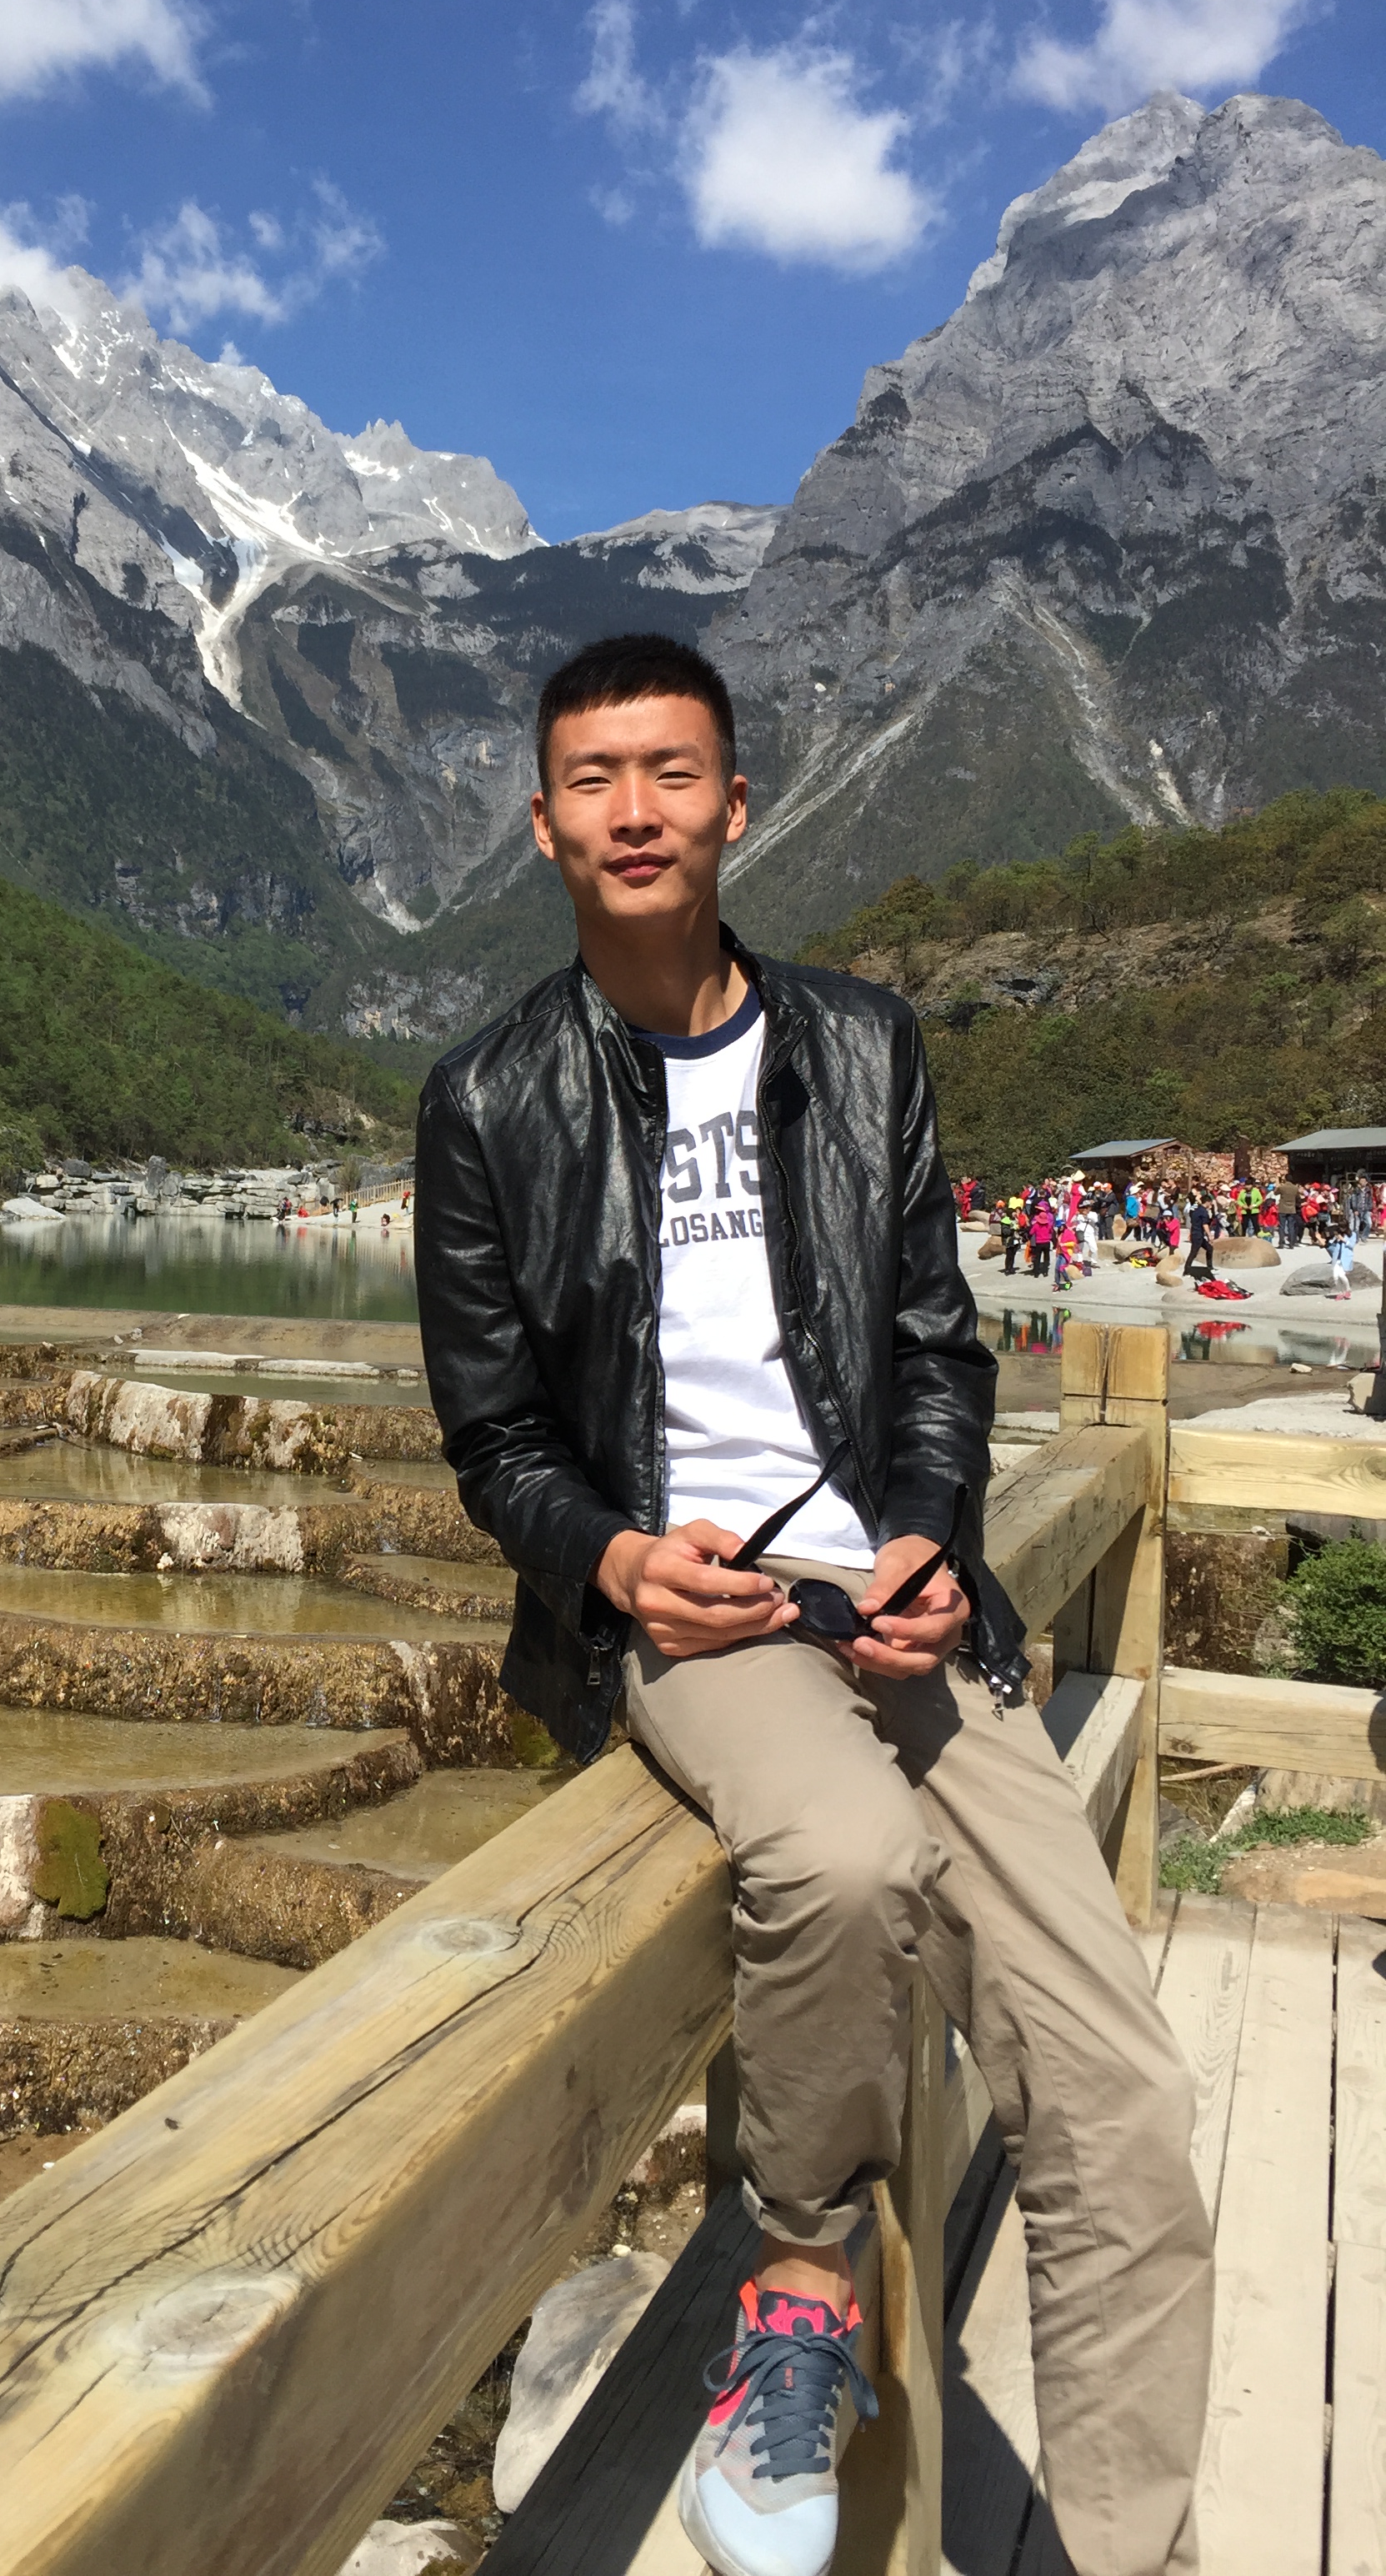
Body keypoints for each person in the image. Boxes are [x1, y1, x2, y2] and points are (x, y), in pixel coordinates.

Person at [414, 634, 1210, 2576]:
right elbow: (496, 1439)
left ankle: (1129, 2548)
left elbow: (937, 1349)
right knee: (845, 1861)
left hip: (896, 1596)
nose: (634, 811)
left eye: (671, 772)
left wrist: (932, 1527)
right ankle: (800, 2291)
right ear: (542, 824)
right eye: (594, 779)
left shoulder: (863, 1048)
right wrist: (616, 1560)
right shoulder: (488, 1101)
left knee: (1120, 2099)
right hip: (695, 1610)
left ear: (737, 804)